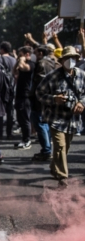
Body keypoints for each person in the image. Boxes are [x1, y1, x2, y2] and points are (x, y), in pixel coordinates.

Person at [36, 46, 85, 188]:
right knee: (60, 146)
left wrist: (82, 103)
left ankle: (54, 167)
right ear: (62, 60)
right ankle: (63, 177)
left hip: (72, 119)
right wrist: (53, 99)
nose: (70, 61)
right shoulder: (52, 76)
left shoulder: (82, 75)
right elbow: (39, 94)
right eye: (67, 58)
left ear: (77, 59)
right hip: (55, 118)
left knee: (65, 147)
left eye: (73, 58)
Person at [30, 44, 56, 161]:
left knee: (39, 122)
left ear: (40, 53)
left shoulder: (41, 63)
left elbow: (40, 82)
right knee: (46, 122)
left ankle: (46, 150)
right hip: (50, 97)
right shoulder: (53, 62)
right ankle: (47, 149)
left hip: (40, 98)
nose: (34, 55)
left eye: (36, 52)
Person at [13, 46, 35, 149]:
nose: (19, 57)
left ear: (27, 54)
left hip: (26, 95)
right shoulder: (21, 63)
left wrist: (21, 60)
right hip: (19, 94)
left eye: (21, 54)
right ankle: (23, 138)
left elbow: (23, 67)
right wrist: (18, 61)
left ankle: (28, 140)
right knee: (20, 118)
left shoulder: (31, 64)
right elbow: (15, 72)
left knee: (25, 119)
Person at [0, 42, 17, 139]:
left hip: (1, 89)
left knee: (0, 112)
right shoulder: (14, 60)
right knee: (10, 112)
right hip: (12, 88)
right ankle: (9, 133)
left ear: (2, 49)